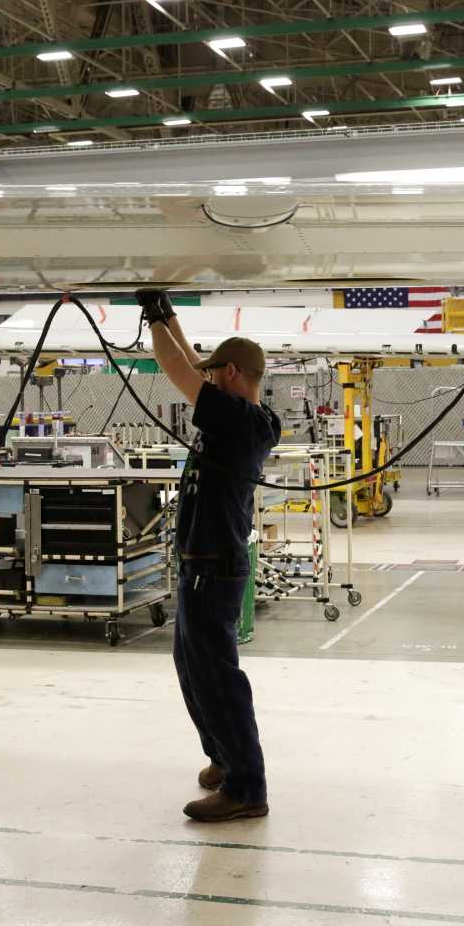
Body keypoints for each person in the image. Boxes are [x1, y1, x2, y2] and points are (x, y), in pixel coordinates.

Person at [136, 289, 281, 822]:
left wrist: (152, 317)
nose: (211, 380)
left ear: (235, 373)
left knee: (217, 677)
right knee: (192, 668)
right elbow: (190, 359)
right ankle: (224, 758)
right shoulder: (239, 416)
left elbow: (177, 370)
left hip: (214, 569)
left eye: (218, 373)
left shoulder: (240, 420)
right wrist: (166, 312)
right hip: (204, 565)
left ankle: (246, 788)